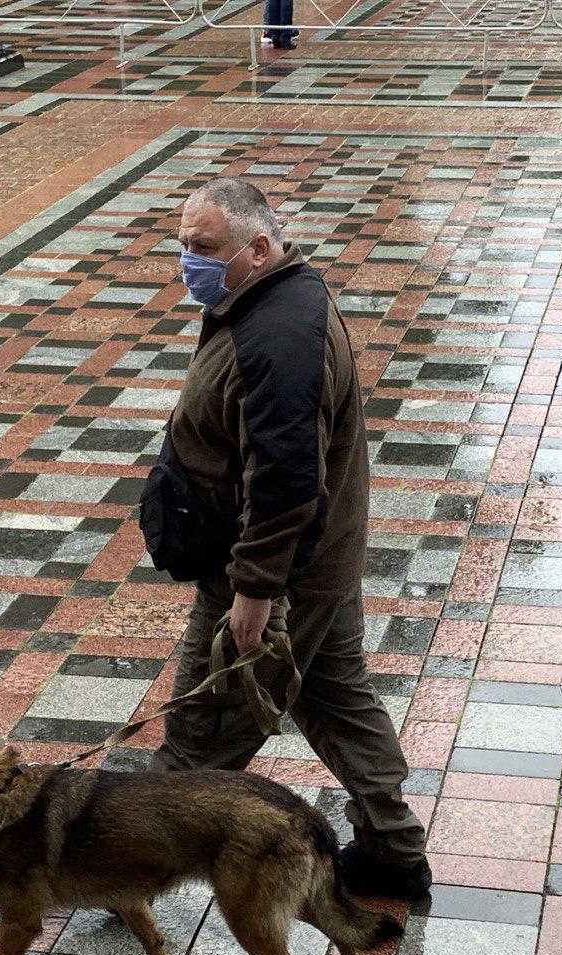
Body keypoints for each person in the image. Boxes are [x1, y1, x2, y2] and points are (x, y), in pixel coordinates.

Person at [144, 178, 432, 900]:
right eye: (182, 245)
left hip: (274, 578)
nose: (189, 262)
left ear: (260, 247)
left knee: (199, 736)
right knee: (337, 699)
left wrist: (254, 592)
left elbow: (284, 480)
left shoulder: (278, 337)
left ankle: (128, 873)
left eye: (204, 248)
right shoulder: (273, 298)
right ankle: (394, 851)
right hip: (318, 567)